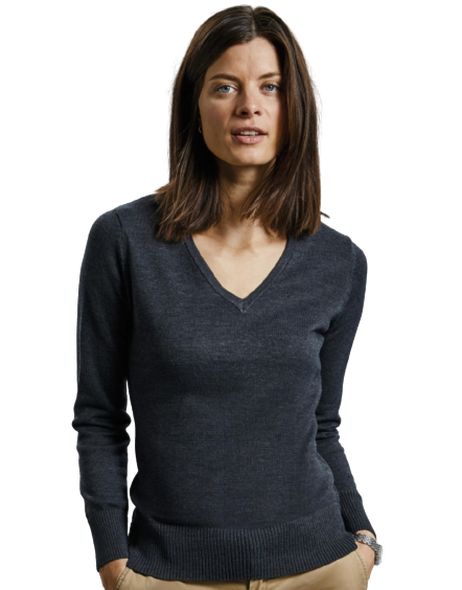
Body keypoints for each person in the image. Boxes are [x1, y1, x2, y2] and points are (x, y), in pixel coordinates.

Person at [72, 5, 382, 590]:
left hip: (321, 567)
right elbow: (99, 418)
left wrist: (363, 542)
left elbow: (322, 425)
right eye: (225, 86)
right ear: (194, 104)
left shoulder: (339, 262)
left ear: (295, 107)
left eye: (271, 87)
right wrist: (113, 562)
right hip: (171, 573)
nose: (249, 106)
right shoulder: (125, 241)